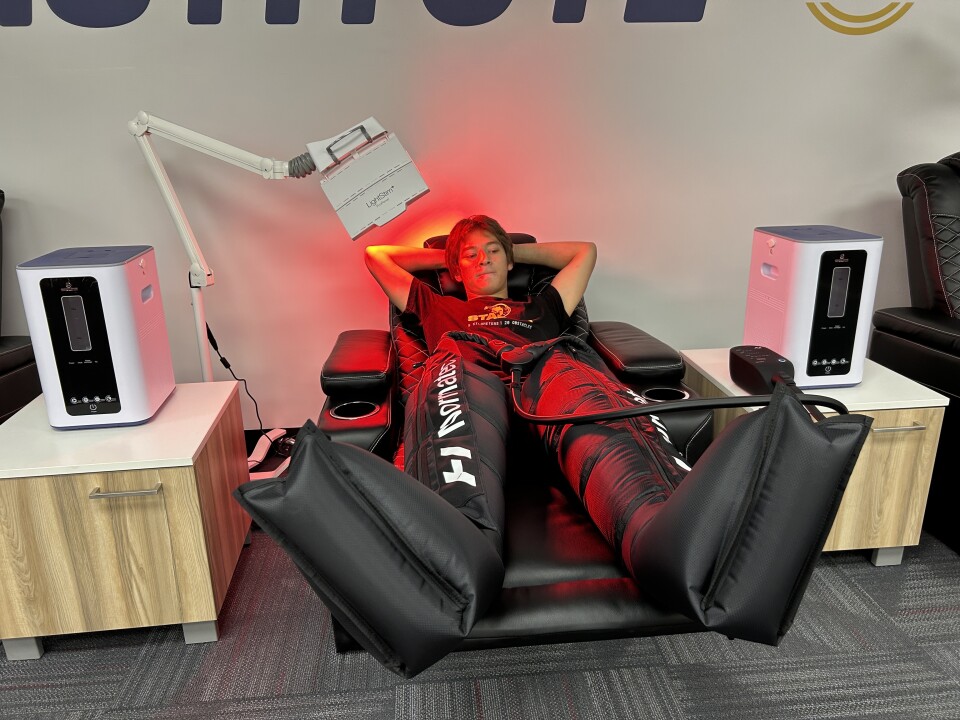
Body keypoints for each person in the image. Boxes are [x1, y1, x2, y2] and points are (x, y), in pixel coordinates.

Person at [364, 215, 688, 562]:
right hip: (470, 387)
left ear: (509, 260)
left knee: (572, 373)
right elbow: (375, 254)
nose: (484, 259)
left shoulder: (544, 305)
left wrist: (509, 250)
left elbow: (584, 252)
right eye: (471, 255)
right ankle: (454, 556)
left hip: (547, 391)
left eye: (492, 252)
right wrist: (451, 257)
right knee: (454, 370)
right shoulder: (437, 305)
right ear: (456, 271)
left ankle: (663, 541)